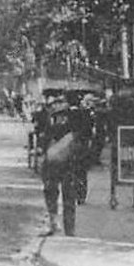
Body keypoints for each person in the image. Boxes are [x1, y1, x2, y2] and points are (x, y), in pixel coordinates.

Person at [38, 96, 92, 236]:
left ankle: (54, 222)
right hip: (70, 162)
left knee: (52, 193)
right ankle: (69, 229)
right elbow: (87, 138)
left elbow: (44, 138)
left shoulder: (52, 115)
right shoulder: (82, 116)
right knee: (68, 197)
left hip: (53, 161)